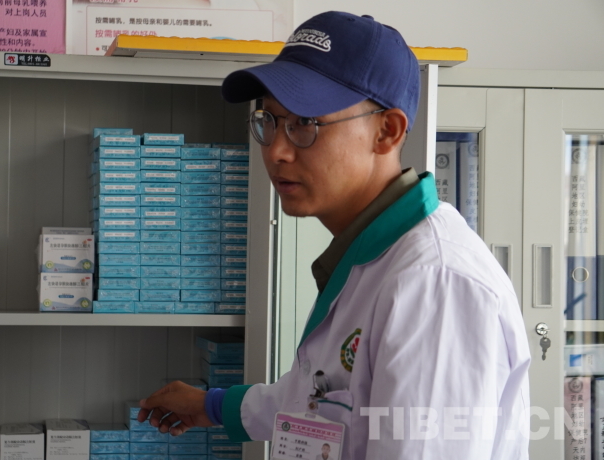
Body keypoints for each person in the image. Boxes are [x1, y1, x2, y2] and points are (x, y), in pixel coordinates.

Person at [138, 11, 531, 459]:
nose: (277, 150)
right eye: (269, 121)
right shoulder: (367, 257)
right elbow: (319, 399)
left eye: (305, 123)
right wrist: (212, 406)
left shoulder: (435, 283)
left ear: (387, 131)